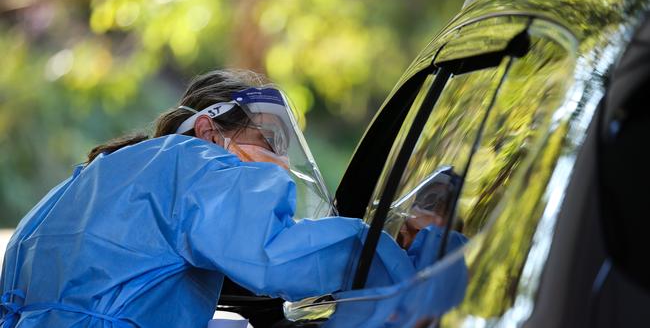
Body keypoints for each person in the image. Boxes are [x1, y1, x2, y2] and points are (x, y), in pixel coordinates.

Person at [0, 70, 416, 328]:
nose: (280, 164)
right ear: (208, 130)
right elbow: (272, 257)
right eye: (268, 140)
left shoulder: (89, 179)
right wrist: (385, 250)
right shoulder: (195, 162)